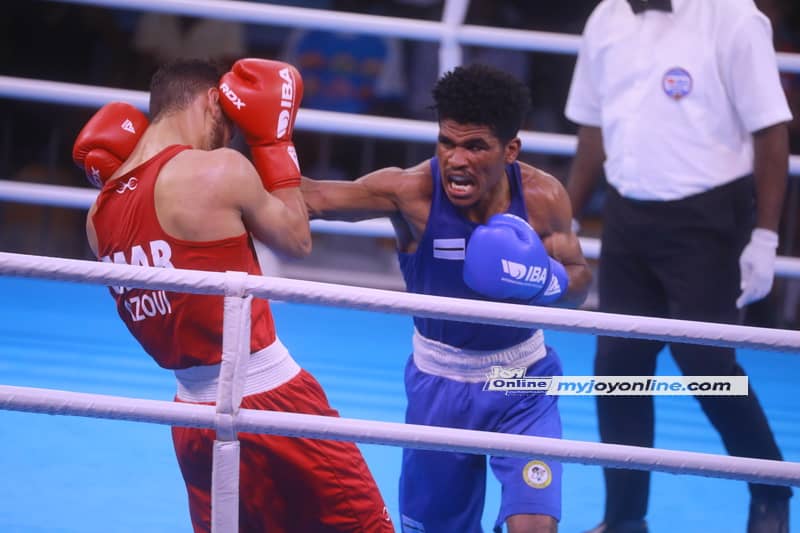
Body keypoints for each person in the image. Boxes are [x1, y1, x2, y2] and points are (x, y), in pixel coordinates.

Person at [74, 58, 393, 533]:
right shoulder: (218, 170)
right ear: (211, 104)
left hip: (191, 417)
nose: (228, 141)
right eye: (229, 127)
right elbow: (296, 239)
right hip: (275, 400)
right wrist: (273, 142)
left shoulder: (99, 216)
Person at [302, 63, 593, 533]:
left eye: (475, 146)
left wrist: (544, 281)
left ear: (510, 150)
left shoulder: (542, 197)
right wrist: (250, 156)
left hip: (522, 383)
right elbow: (312, 199)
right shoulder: (411, 192)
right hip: (439, 386)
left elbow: (580, 279)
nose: (456, 160)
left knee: (536, 527)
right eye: (447, 142)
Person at [563, 1, 794, 532]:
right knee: (617, 368)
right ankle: (624, 519)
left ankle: (771, 492)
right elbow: (593, 132)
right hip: (625, 215)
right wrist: (566, 219)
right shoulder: (605, 18)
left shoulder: (734, 18)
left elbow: (771, 131)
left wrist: (764, 236)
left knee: (707, 367)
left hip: (708, 219)